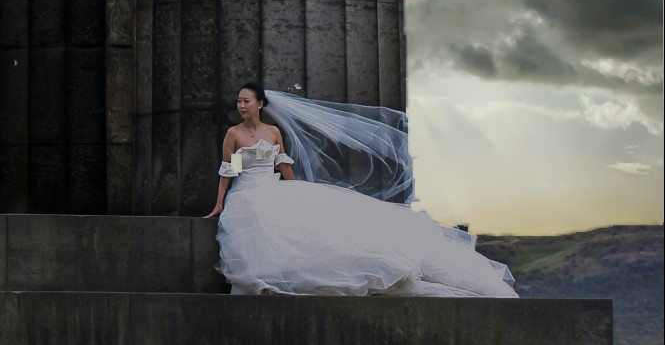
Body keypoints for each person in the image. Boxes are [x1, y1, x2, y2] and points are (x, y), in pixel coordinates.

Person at [205, 82, 517, 298]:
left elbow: (285, 167)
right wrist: (219, 204)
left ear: (260, 104)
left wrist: (295, 191)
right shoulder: (233, 134)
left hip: (272, 188)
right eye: (239, 101)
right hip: (246, 192)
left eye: (246, 100)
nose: (241, 105)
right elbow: (227, 171)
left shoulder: (273, 132)